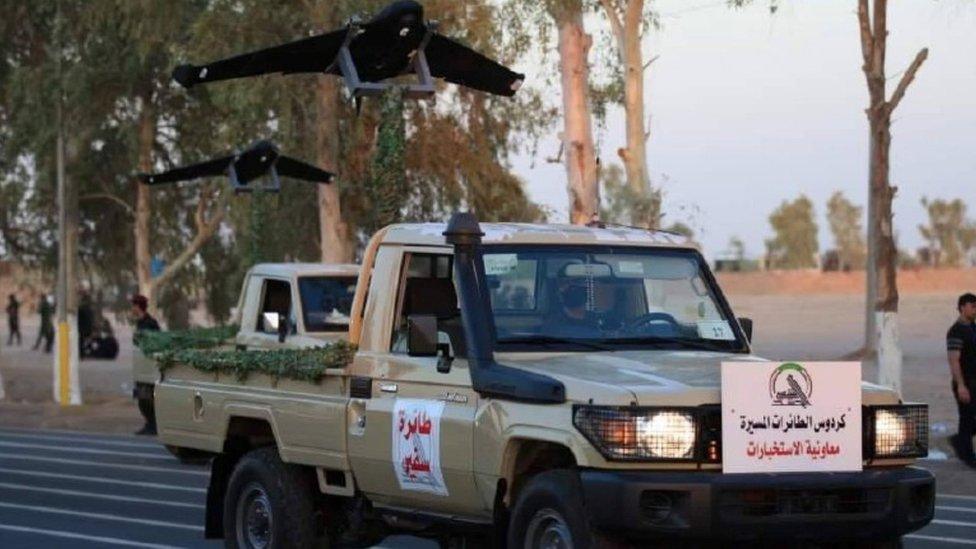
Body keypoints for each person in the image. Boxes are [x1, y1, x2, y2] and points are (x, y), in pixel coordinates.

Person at [947, 292, 976, 468]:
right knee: (966, 419)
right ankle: (968, 456)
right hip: (965, 382)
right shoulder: (956, 331)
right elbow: (953, 360)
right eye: (972, 306)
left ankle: (959, 441)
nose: (975, 310)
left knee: (968, 421)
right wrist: (961, 386)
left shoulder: (973, 328)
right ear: (962, 307)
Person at [131, 294, 160, 435]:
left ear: (138, 306)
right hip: (141, 366)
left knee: (147, 397)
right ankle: (149, 423)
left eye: (133, 305)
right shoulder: (140, 323)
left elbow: (155, 342)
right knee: (141, 398)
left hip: (149, 367)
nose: (132, 308)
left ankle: (153, 424)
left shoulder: (150, 323)